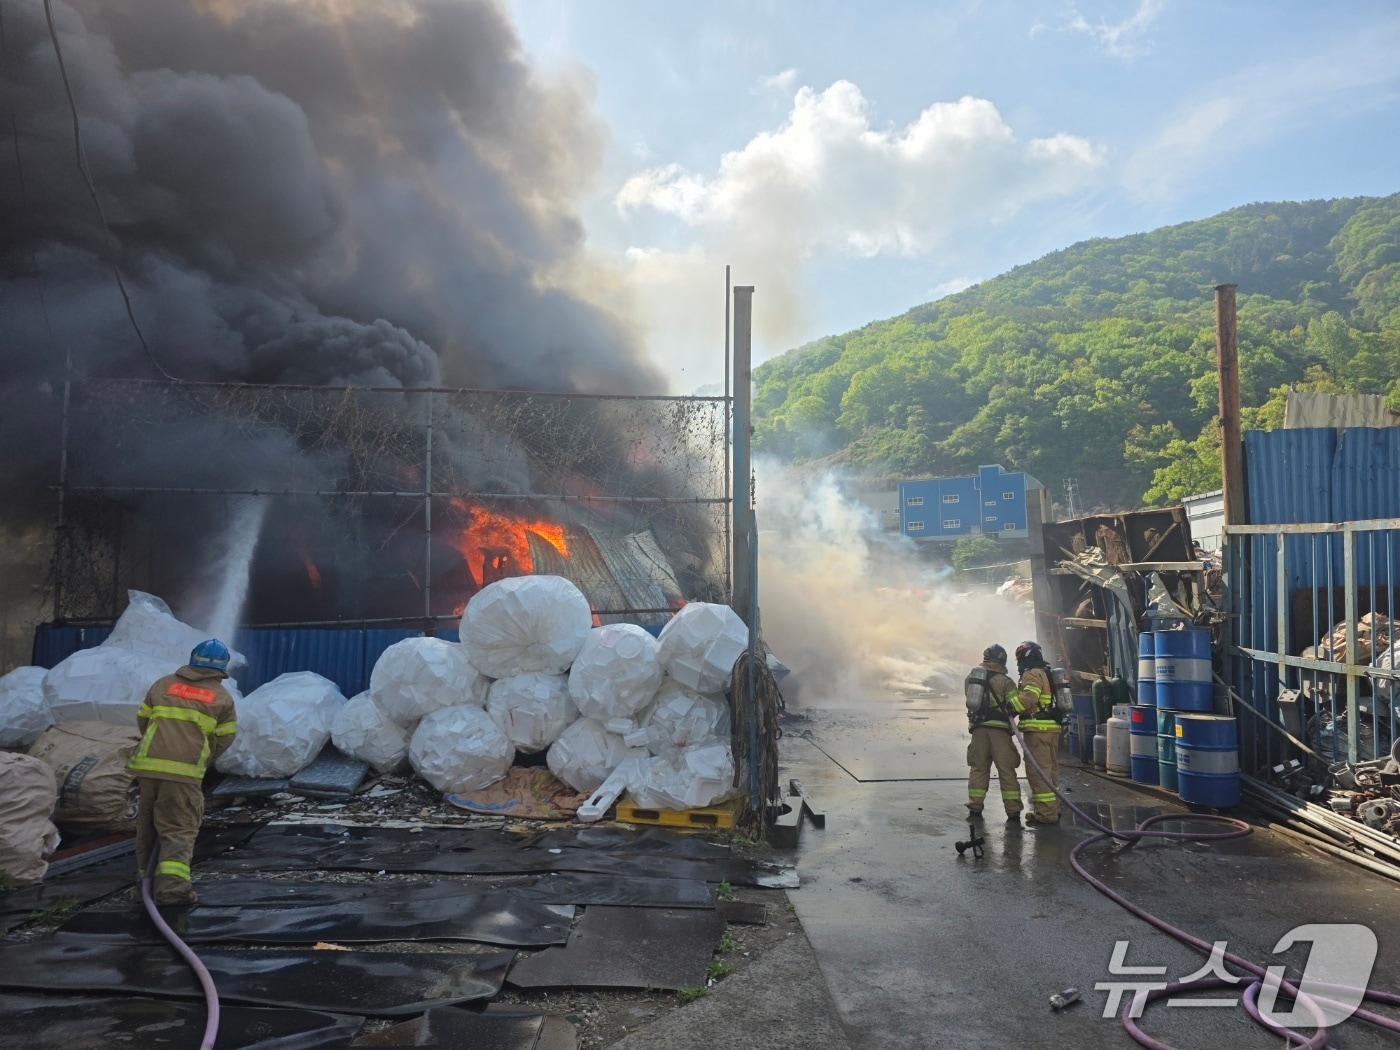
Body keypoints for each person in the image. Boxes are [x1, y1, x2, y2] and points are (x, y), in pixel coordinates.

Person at [127, 639, 238, 906]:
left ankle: (146, 888)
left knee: (148, 830)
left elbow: (143, 720)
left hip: (148, 767)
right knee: (178, 829)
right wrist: (200, 757)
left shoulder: (163, 684)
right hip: (184, 773)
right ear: (222, 668)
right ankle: (173, 891)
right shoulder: (221, 697)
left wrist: (160, 749)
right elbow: (225, 739)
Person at [964, 644, 1023, 822]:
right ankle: (1013, 811)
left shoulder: (972, 678)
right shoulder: (1006, 682)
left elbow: (970, 700)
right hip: (1000, 733)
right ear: (1003, 660)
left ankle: (975, 806)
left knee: (978, 768)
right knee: (1006, 770)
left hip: (979, 730)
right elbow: (1015, 705)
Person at [1011, 640, 1060, 826]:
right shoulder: (1045, 672)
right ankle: (1054, 809)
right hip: (1051, 729)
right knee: (1051, 771)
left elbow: (1030, 697)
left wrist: (1011, 706)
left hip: (1038, 730)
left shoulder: (1031, 674)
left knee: (1038, 772)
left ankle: (1045, 814)